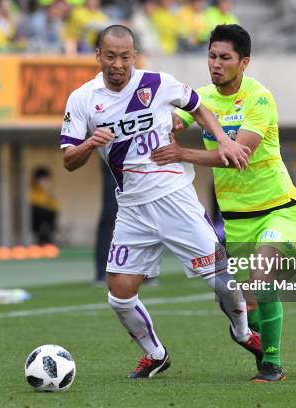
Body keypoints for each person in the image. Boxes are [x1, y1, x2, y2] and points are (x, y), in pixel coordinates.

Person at [60, 24, 259, 379]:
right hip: (133, 209)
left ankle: (242, 332)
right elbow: (68, 160)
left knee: (222, 282)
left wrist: (222, 140)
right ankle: (156, 354)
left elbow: (198, 107)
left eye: (125, 56)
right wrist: (91, 143)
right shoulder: (82, 99)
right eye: (110, 56)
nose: (118, 64)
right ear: (98, 57)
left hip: (174, 199)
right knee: (118, 295)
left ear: (134, 56)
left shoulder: (157, 83)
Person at [151, 24, 296, 382]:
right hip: (236, 219)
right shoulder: (203, 98)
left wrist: (182, 153)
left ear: (244, 62)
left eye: (225, 58)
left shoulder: (259, 99)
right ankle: (253, 335)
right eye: (211, 56)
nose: (216, 64)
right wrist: (161, 121)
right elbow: (177, 118)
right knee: (243, 303)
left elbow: (238, 156)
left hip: (278, 209)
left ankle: (272, 363)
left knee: (261, 278)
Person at [29, 167, 60, 245]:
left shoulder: (46, 192)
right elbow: (34, 202)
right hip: (32, 218)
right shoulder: (30, 190)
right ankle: (41, 236)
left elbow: (56, 205)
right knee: (39, 210)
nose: (46, 182)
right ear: (37, 180)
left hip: (44, 219)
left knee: (51, 211)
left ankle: (46, 236)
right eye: (43, 180)